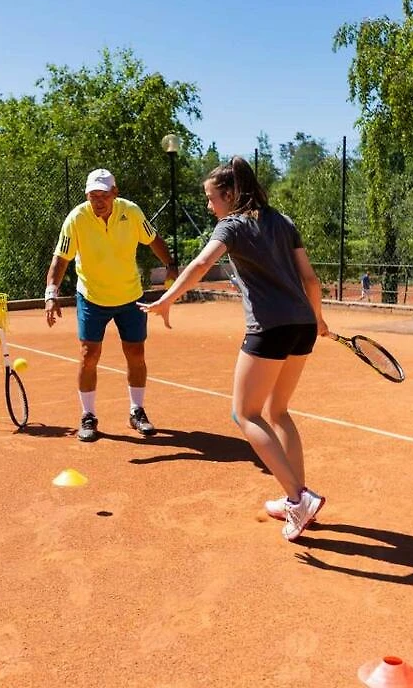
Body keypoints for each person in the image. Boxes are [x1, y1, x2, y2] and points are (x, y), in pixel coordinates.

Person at [139, 156, 329, 541]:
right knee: (278, 411)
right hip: (302, 326)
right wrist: (318, 319)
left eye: (211, 198)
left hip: (270, 328)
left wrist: (167, 299)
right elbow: (311, 280)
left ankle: (299, 498)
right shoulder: (283, 221)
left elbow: (201, 263)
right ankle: (296, 497)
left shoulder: (233, 225)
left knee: (245, 414)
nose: (210, 206)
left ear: (229, 194)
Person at [44, 168, 179, 443]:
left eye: (103, 195)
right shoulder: (76, 218)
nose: (98, 201)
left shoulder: (131, 212)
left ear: (114, 193)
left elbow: (153, 239)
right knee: (88, 355)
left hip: (130, 296)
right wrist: (51, 293)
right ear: (87, 196)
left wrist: (170, 265)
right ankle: (88, 416)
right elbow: (61, 258)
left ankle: (136, 411)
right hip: (92, 297)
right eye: (93, 195)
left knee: (136, 353)